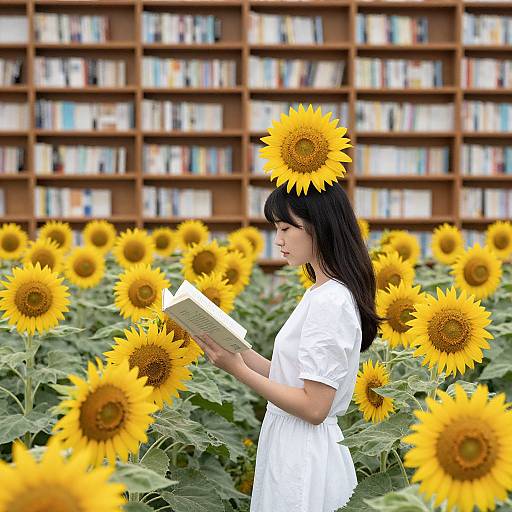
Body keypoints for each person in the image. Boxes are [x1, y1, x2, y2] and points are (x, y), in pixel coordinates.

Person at [193, 105, 380, 511]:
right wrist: (237, 350)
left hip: (303, 454)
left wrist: (236, 369)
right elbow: (294, 377)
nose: (277, 240)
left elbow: (314, 406)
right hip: (293, 446)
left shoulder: (331, 300)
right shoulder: (323, 292)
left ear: (318, 228)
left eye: (284, 228)